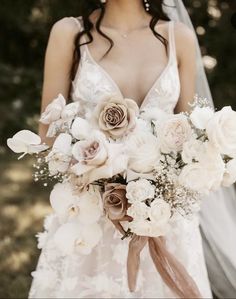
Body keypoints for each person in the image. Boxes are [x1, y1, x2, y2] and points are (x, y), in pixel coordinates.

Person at [29, 0, 213, 298]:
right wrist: (97, 168)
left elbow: (190, 138)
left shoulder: (179, 37)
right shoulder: (69, 33)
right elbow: (48, 134)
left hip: (164, 218)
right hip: (92, 217)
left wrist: (158, 188)